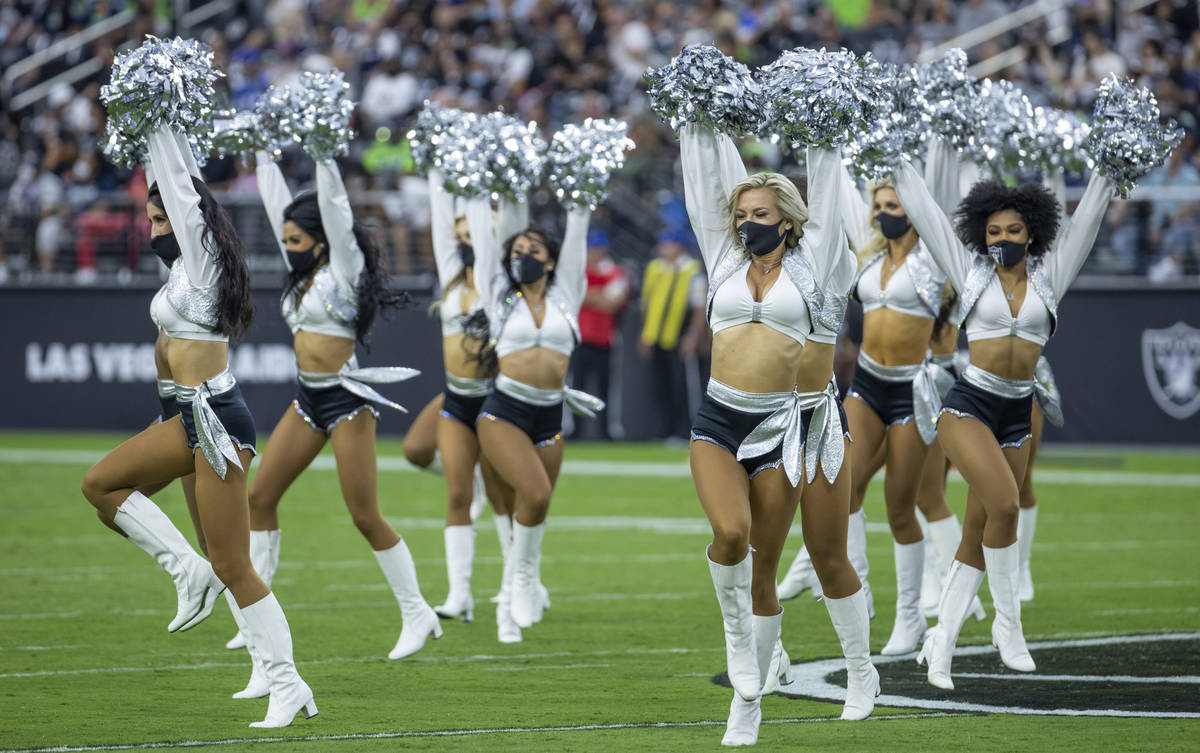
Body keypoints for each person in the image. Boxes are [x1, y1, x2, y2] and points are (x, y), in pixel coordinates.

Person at [81, 125, 316, 728]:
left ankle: (279, 675)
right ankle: (264, 662)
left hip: (209, 418)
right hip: (187, 416)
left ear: (189, 220)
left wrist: (159, 118)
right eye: (151, 219)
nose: (156, 227)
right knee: (225, 556)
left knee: (109, 490)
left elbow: (186, 194)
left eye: (163, 218)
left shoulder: (205, 259)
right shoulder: (186, 268)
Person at [681, 122, 877, 746]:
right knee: (733, 537)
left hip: (797, 421)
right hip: (720, 416)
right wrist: (700, 121)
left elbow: (826, 180)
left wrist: (823, 127)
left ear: (789, 221)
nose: (746, 224)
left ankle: (859, 672)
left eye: (760, 214)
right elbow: (705, 183)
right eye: (740, 214)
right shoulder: (725, 258)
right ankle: (750, 664)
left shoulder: (820, 258)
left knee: (824, 554)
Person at [895, 136, 1115, 689]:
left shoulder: (1051, 275)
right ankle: (1007, 627)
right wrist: (894, 159)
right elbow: (925, 212)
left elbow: (1086, 220)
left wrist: (1109, 172)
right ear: (980, 235)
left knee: (978, 534)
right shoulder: (968, 271)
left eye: (1013, 231)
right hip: (968, 406)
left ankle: (939, 645)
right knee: (1005, 504)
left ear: (1033, 233)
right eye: (993, 231)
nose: (1003, 239)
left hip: (1018, 413)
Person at [239, 149, 437, 675]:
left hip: (349, 401)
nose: (289, 249)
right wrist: (263, 153)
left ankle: (417, 612)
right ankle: (254, 611)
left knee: (364, 515)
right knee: (259, 496)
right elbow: (275, 198)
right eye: (286, 242)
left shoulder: (343, 269)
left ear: (322, 241)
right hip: (308, 399)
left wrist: (324, 153)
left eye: (297, 241)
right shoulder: (300, 270)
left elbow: (336, 209)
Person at [465, 194, 594, 644]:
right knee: (534, 494)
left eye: (533, 252)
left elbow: (577, 235)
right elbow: (484, 243)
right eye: (517, 252)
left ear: (552, 262)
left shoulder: (566, 296)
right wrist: (478, 192)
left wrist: (582, 195)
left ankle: (515, 590)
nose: (524, 258)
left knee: (532, 510)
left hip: (549, 415)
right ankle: (521, 582)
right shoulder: (499, 296)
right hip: (504, 412)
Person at [637, 227, 707, 442]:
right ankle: (664, 430)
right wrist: (644, 333)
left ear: (679, 246)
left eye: (669, 244)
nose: (665, 248)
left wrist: (693, 336)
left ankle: (684, 429)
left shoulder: (693, 270)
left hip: (680, 333)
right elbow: (647, 303)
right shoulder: (655, 268)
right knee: (660, 385)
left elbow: (698, 307)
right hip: (657, 334)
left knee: (682, 385)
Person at [571, 229, 631, 439]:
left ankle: (607, 431)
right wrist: (597, 295)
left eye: (597, 249)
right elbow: (574, 296)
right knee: (576, 387)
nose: (593, 254)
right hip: (580, 338)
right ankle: (575, 430)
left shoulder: (615, 272)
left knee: (606, 388)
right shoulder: (579, 271)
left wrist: (588, 296)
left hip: (605, 339)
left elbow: (612, 303)